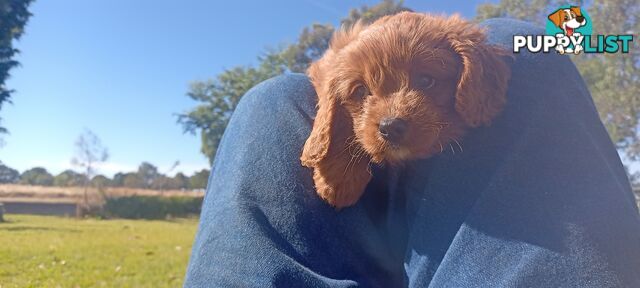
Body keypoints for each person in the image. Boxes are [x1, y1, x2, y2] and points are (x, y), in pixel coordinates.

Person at [184, 18, 640, 287]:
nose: (393, 114)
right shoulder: (331, 80)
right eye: (363, 90)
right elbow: (328, 89)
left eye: (425, 80)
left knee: (519, 40)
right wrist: (336, 151)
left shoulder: (466, 51)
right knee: (275, 96)